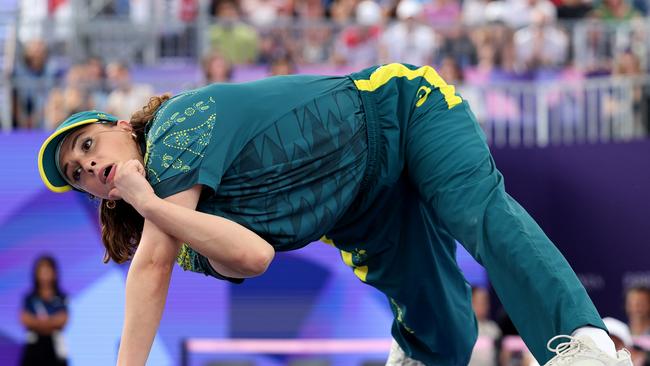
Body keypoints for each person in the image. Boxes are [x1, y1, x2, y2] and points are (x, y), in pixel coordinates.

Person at [37, 63, 632, 366]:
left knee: (477, 212)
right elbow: (253, 257)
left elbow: (150, 271)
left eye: (88, 146)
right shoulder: (179, 232)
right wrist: (147, 207)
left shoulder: (172, 129)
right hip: (359, 209)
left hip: (399, 112)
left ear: (118, 128)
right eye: (76, 174)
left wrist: (144, 200)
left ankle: (585, 345)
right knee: (439, 332)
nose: (89, 167)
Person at [20, 255, 69, 366]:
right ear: (36, 274)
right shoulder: (29, 298)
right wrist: (50, 324)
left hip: (55, 350)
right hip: (33, 350)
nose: (45, 275)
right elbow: (25, 319)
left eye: (48, 271)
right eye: (42, 271)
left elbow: (63, 320)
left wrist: (38, 324)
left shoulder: (61, 298)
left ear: (54, 273)